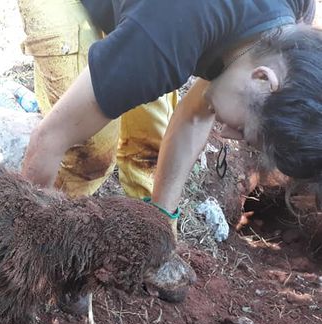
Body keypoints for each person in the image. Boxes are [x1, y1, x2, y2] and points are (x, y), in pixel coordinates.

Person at [17, 0, 321, 223]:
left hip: (153, 23)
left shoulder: (294, 24)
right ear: (263, 79)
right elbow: (49, 139)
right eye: (243, 131)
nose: (227, 133)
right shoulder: (165, 40)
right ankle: (49, 246)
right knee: (90, 150)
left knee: (148, 142)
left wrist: (163, 224)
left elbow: (194, 114)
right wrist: (24, 242)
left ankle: (142, 229)